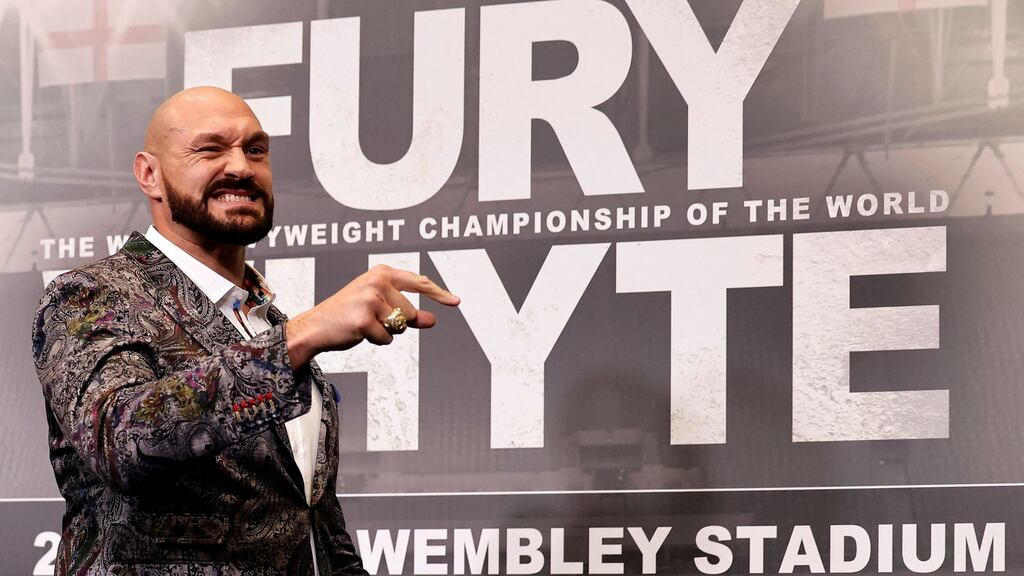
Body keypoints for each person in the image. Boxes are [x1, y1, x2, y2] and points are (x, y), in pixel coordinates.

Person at [31, 86, 460, 575]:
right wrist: (300, 337)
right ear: (149, 174)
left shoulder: (262, 321)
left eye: (255, 150)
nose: (241, 167)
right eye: (211, 148)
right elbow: (121, 440)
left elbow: (313, 530)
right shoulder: (92, 293)